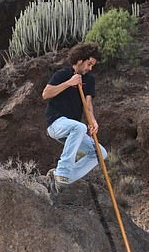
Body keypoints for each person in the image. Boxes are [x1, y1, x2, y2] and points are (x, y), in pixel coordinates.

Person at [41, 42, 108, 195]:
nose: (90, 68)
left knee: (100, 153)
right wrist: (68, 83)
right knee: (79, 127)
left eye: (92, 66)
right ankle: (63, 171)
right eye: (89, 64)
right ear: (79, 60)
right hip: (56, 124)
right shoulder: (62, 75)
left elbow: (88, 104)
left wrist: (93, 121)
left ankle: (62, 176)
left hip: (73, 130)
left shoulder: (89, 80)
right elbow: (46, 94)